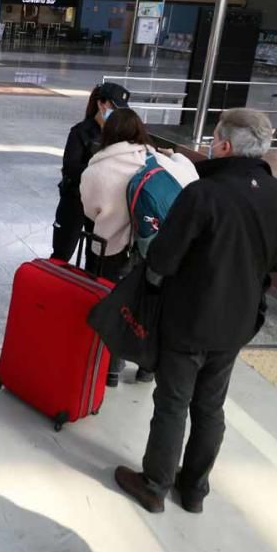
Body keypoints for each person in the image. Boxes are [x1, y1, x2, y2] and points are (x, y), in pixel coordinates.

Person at [114, 109, 277, 515]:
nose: (209, 144)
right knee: (211, 406)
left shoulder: (203, 194)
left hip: (189, 319)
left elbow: (163, 258)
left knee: (173, 403)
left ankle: (154, 484)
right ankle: (195, 489)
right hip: (238, 322)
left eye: (214, 137)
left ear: (226, 146)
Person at [80, 104, 198, 386]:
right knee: (151, 307)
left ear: (108, 133)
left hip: (114, 250)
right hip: (155, 249)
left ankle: (111, 370)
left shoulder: (98, 168)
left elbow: (89, 210)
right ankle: (148, 368)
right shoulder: (159, 161)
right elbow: (191, 179)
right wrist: (174, 155)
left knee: (117, 307)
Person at [51, 85, 103, 262]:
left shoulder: (116, 135)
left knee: (95, 257)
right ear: (101, 105)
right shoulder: (80, 132)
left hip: (100, 204)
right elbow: (70, 168)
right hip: (75, 200)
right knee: (62, 253)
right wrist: (100, 171)